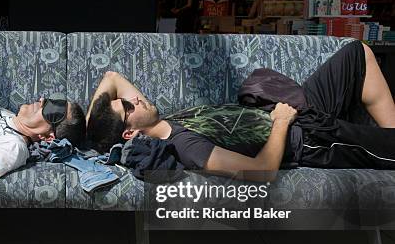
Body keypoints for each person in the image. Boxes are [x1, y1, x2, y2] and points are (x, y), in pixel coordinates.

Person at [86, 41, 395, 180]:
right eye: (127, 106)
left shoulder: (164, 121)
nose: (135, 98)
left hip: (293, 111)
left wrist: (94, 131)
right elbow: (262, 172)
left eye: (130, 99)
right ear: (130, 132)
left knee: (358, 54)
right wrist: (282, 122)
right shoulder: (186, 146)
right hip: (309, 138)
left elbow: (112, 77)